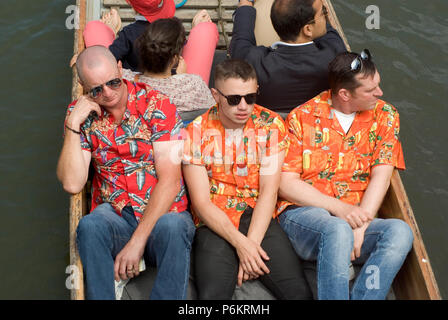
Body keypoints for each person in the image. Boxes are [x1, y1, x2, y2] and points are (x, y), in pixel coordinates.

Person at [57, 46, 195, 299]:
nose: (108, 94)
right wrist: (73, 124)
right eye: (96, 89)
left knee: (175, 226)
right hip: (117, 214)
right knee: (89, 225)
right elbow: (72, 183)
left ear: (121, 69)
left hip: (162, 215)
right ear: (82, 85)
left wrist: (137, 242)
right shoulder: (81, 114)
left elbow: (171, 181)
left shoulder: (158, 105)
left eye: (113, 82)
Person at [277, 50, 414, 299]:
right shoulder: (302, 117)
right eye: (371, 90)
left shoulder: (387, 116)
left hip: (357, 220)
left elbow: (381, 176)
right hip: (305, 218)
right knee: (337, 229)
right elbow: (286, 184)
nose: (380, 93)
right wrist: (341, 211)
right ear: (344, 94)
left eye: (378, 85)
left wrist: (361, 225)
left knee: (400, 232)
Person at [182, 59, 312, 300]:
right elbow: (201, 203)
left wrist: (250, 248)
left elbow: (269, 193)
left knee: (299, 294)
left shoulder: (271, 125)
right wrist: (241, 245)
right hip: (214, 219)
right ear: (215, 95)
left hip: (257, 213)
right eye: (234, 99)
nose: (243, 106)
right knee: (212, 297)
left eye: (250, 98)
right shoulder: (195, 133)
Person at [230, 0, 346, 115]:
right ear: (308, 29)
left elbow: (241, 38)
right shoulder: (334, 56)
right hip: (314, 124)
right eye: (323, 12)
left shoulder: (252, 61)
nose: (325, 15)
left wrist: (246, 3)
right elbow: (329, 33)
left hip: (270, 124)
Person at [79, 2, 219, 84]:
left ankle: (109, 29)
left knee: (95, 28)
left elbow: (109, 57)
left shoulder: (129, 34)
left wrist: (84, 56)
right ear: (175, 59)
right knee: (205, 31)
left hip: (137, 76)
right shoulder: (174, 35)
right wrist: (197, 32)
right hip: (170, 77)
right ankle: (199, 28)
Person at [122, 16, 216, 124]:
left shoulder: (122, 83)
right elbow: (213, 113)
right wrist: (181, 78)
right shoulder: (195, 86)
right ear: (175, 60)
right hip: (182, 139)